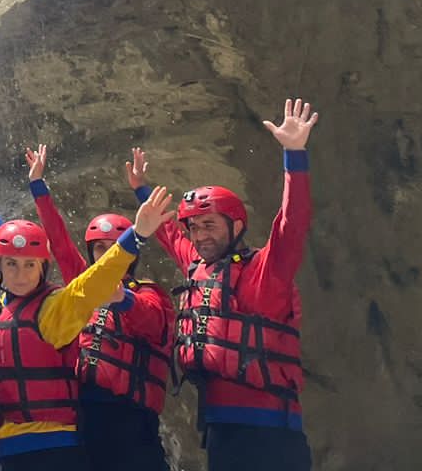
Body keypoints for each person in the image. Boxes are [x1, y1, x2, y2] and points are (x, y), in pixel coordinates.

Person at [128, 98, 319, 471]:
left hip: (271, 435)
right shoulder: (200, 266)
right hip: (220, 429)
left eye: (209, 225)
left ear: (236, 227)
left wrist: (294, 156)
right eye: (194, 227)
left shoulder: (265, 271)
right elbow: (169, 233)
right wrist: (141, 190)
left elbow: (293, 223)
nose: (199, 235)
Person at [0, 187, 177, 471]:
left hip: (86, 436)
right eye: (11, 265)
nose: (20, 274)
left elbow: (91, 279)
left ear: (42, 267)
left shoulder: (57, 305)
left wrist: (137, 235)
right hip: (9, 446)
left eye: (30, 265)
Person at [18, 146, 172, 471]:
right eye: (99, 248)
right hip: (84, 412)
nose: (105, 254)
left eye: (112, 247)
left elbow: (153, 322)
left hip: (131, 418)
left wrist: (123, 299)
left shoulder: (147, 293)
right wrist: (38, 185)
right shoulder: (84, 285)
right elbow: (59, 241)